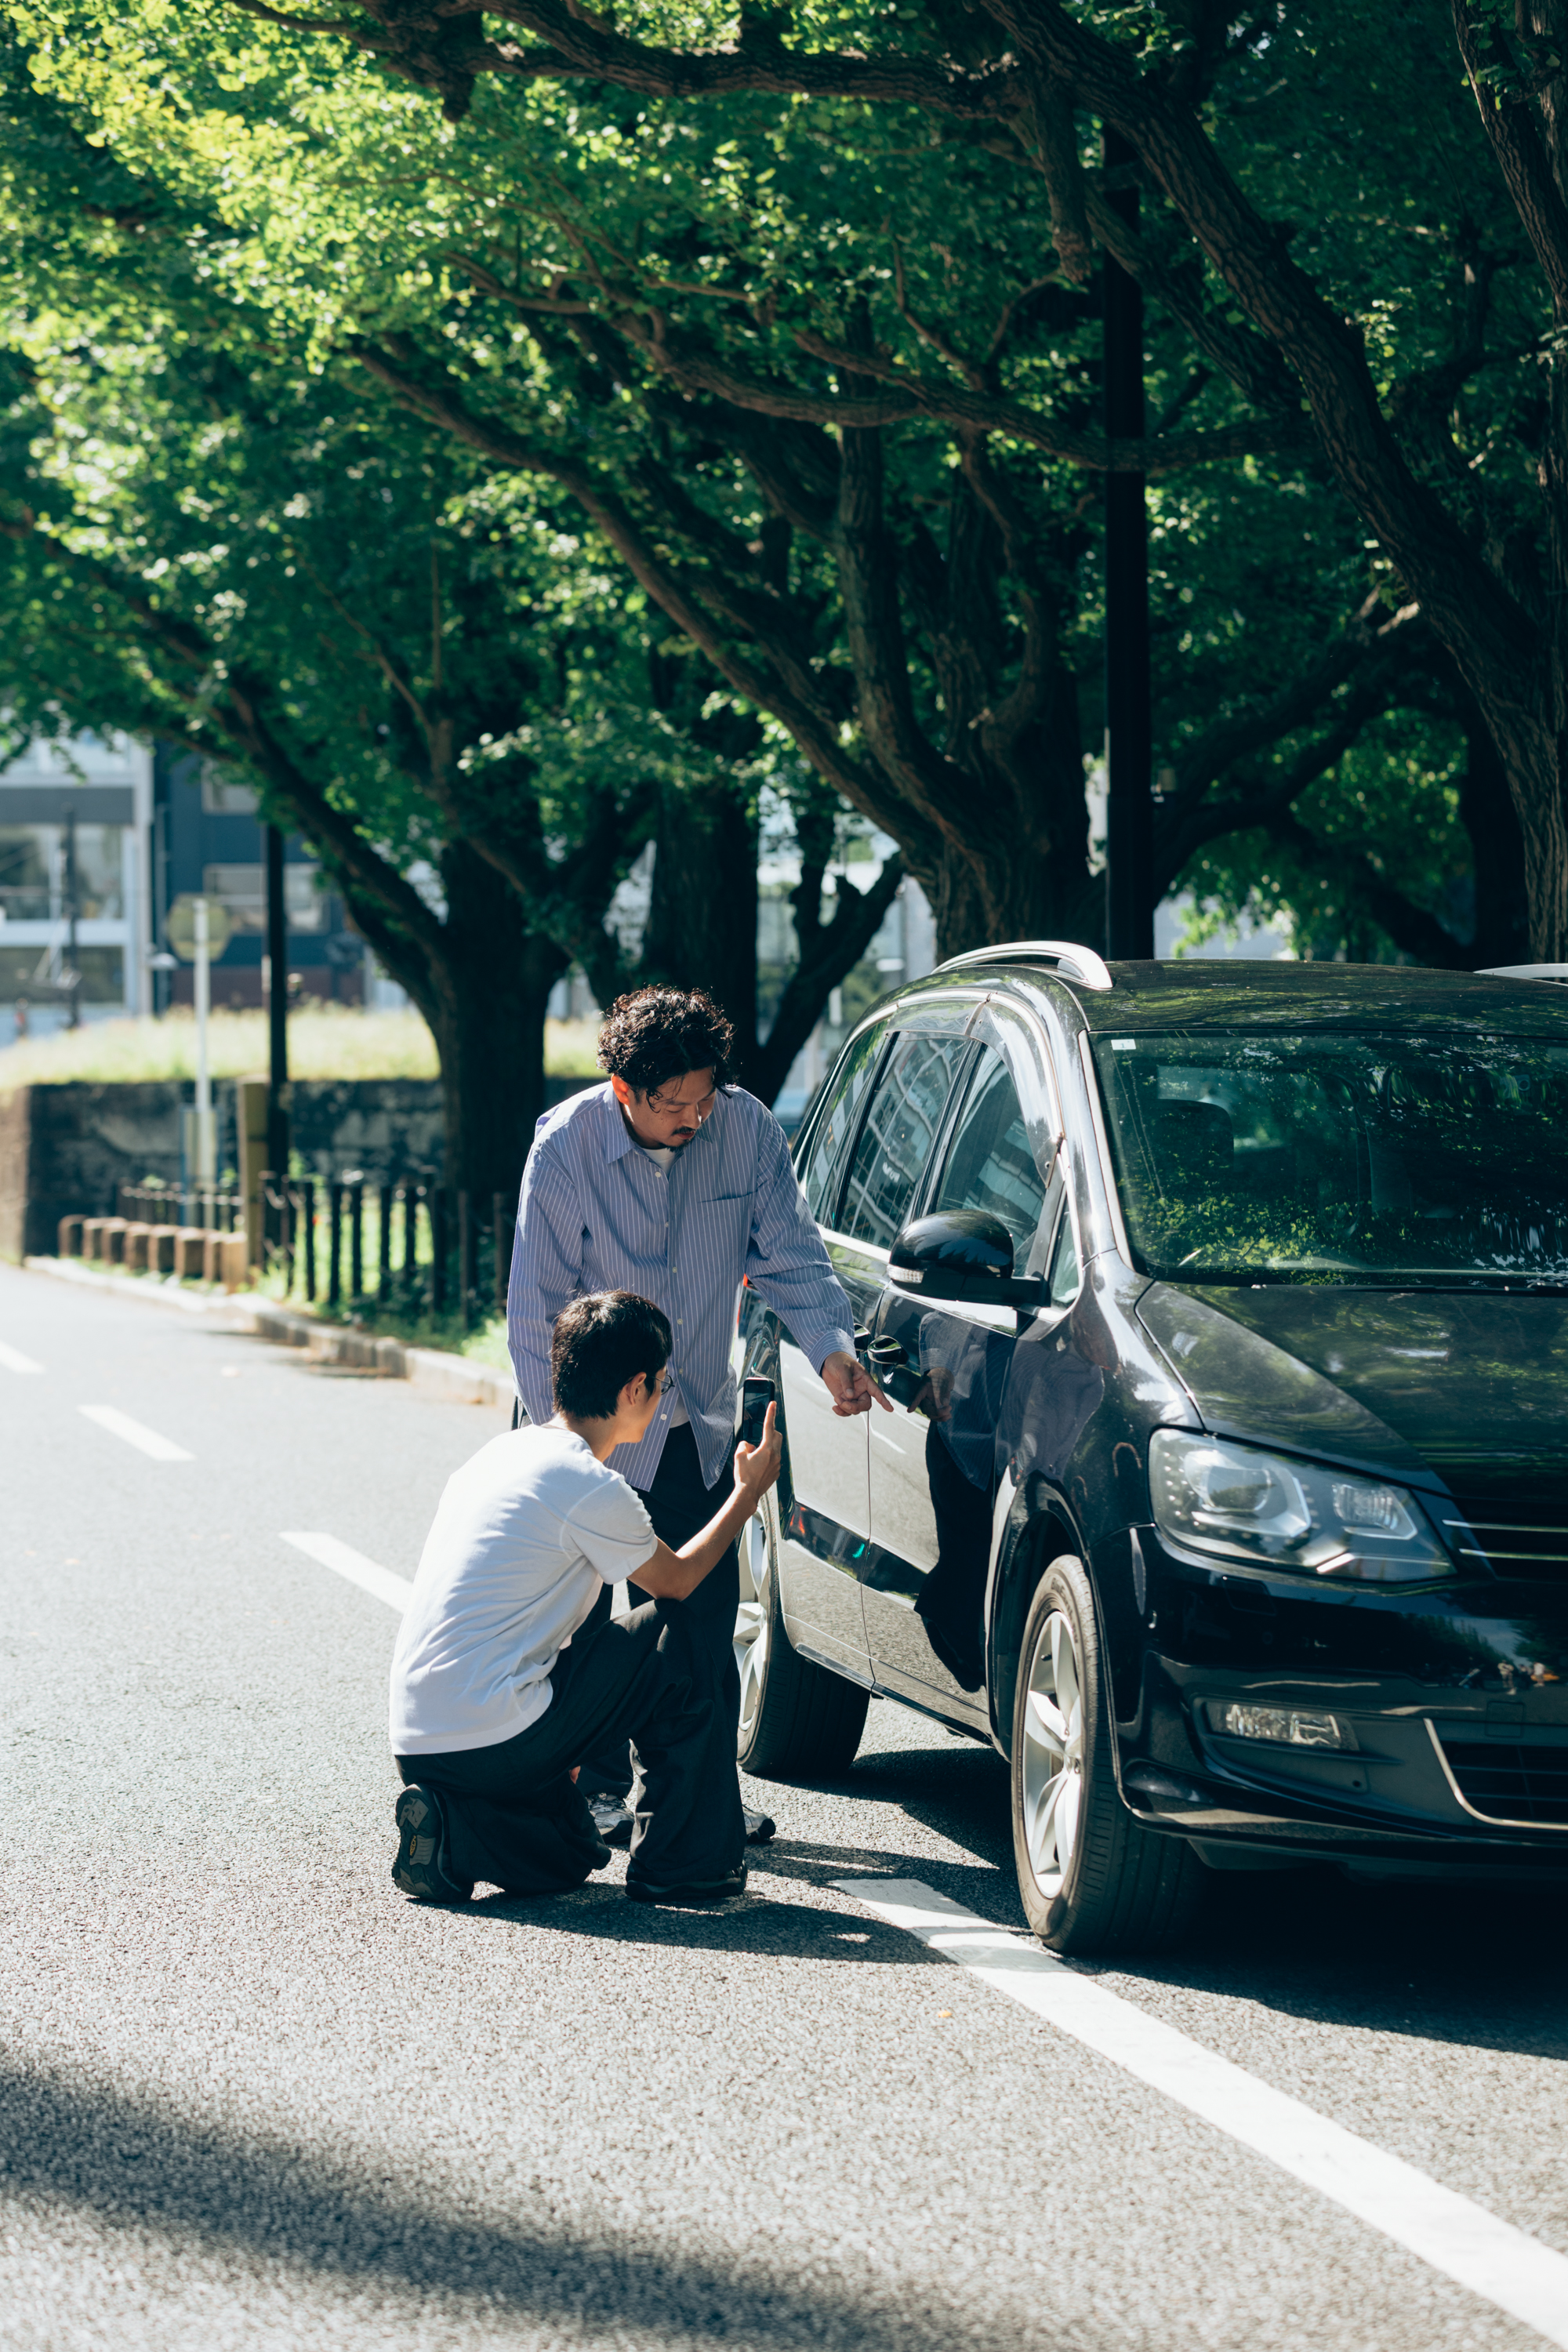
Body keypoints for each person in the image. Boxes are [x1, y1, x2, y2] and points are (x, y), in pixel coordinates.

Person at [508, 984, 887, 1860]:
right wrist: (564, 1443)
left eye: (701, 1098)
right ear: (621, 1089)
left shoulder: (746, 1128)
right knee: (576, 1618)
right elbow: (534, 1309)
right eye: (670, 1102)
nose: (690, 1116)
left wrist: (830, 1347)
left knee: (699, 1611)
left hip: (690, 1417)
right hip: (583, 1422)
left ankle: (697, 1793)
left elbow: (790, 1252)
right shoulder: (565, 1146)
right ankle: (588, 1787)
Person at [390, 1288, 782, 1906]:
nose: (661, 1401)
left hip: (421, 1742)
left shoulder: (498, 1455)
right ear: (634, 1390)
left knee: (573, 1853)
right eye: (661, 1386)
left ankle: (449, 1833)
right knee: (681, 1630)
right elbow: (677, 1582)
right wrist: (747, 1493)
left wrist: (568, 1729)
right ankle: (684, 1866)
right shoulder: (589, 1484)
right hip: (497, 1731)